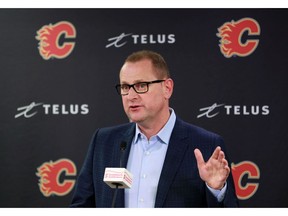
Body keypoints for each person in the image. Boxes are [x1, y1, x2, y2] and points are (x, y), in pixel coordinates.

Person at [70, 50, 239, 207]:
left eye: (141, 85)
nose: (131, 96)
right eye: (125, 87)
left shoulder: (206, 144)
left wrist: (216, 189)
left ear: (167, 88)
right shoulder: (104, 141)